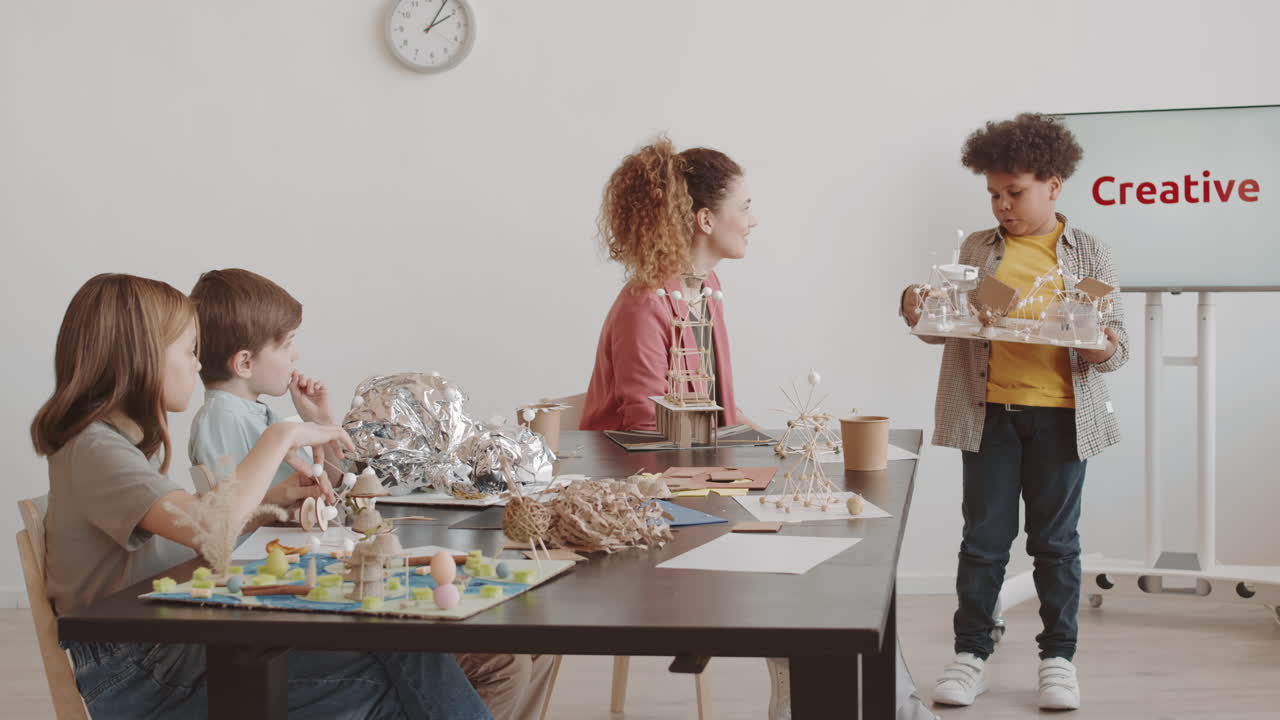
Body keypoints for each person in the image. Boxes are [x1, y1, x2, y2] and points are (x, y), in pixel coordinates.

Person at [32, 273, 491, 719]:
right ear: (140, 357)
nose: (197, 364)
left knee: (398, 649)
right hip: (141, 674)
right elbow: (211, 527)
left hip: (161, 648)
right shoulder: (95, 451)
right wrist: (281, 435)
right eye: (190, 351)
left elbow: (199, 534)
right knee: (398, 665)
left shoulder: (112, 446)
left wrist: (277, 495)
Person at [584, 136, 934, 719]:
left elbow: (720, 408)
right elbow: (652, 431)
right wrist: (750, 468)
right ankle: (851, 705)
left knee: (846, 556)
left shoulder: (707, 290)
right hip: (648, 495)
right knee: (816, 567)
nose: (753, 220)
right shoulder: (646, 303)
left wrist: (782, 447)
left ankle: (873, 705)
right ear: (704, 219)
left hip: (700, 480)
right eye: (744, 207)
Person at [187, 267, 554, 720]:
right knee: (511, 657)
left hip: (320, 575)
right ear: (244, 363)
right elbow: (247, 516)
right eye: (286, 343)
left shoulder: (255, 416)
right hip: (303, 594)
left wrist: (322, 423)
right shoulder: (223, 421)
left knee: (532, 642)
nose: (296, 353)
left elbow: (326, 489)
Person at [901, 113, 1129, 711]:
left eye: (1015, 192)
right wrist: (915, 307)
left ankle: (1058, 658)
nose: (1003, 205)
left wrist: (1096, 343)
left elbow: (1116, 348)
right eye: (994, 194)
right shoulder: (981, 249)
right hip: (990, 415)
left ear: (1054, 184)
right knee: (983, 541)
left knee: (1055, 544)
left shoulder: (1089, 255)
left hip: (1061, 418)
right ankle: (971, 651)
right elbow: (955, 330)